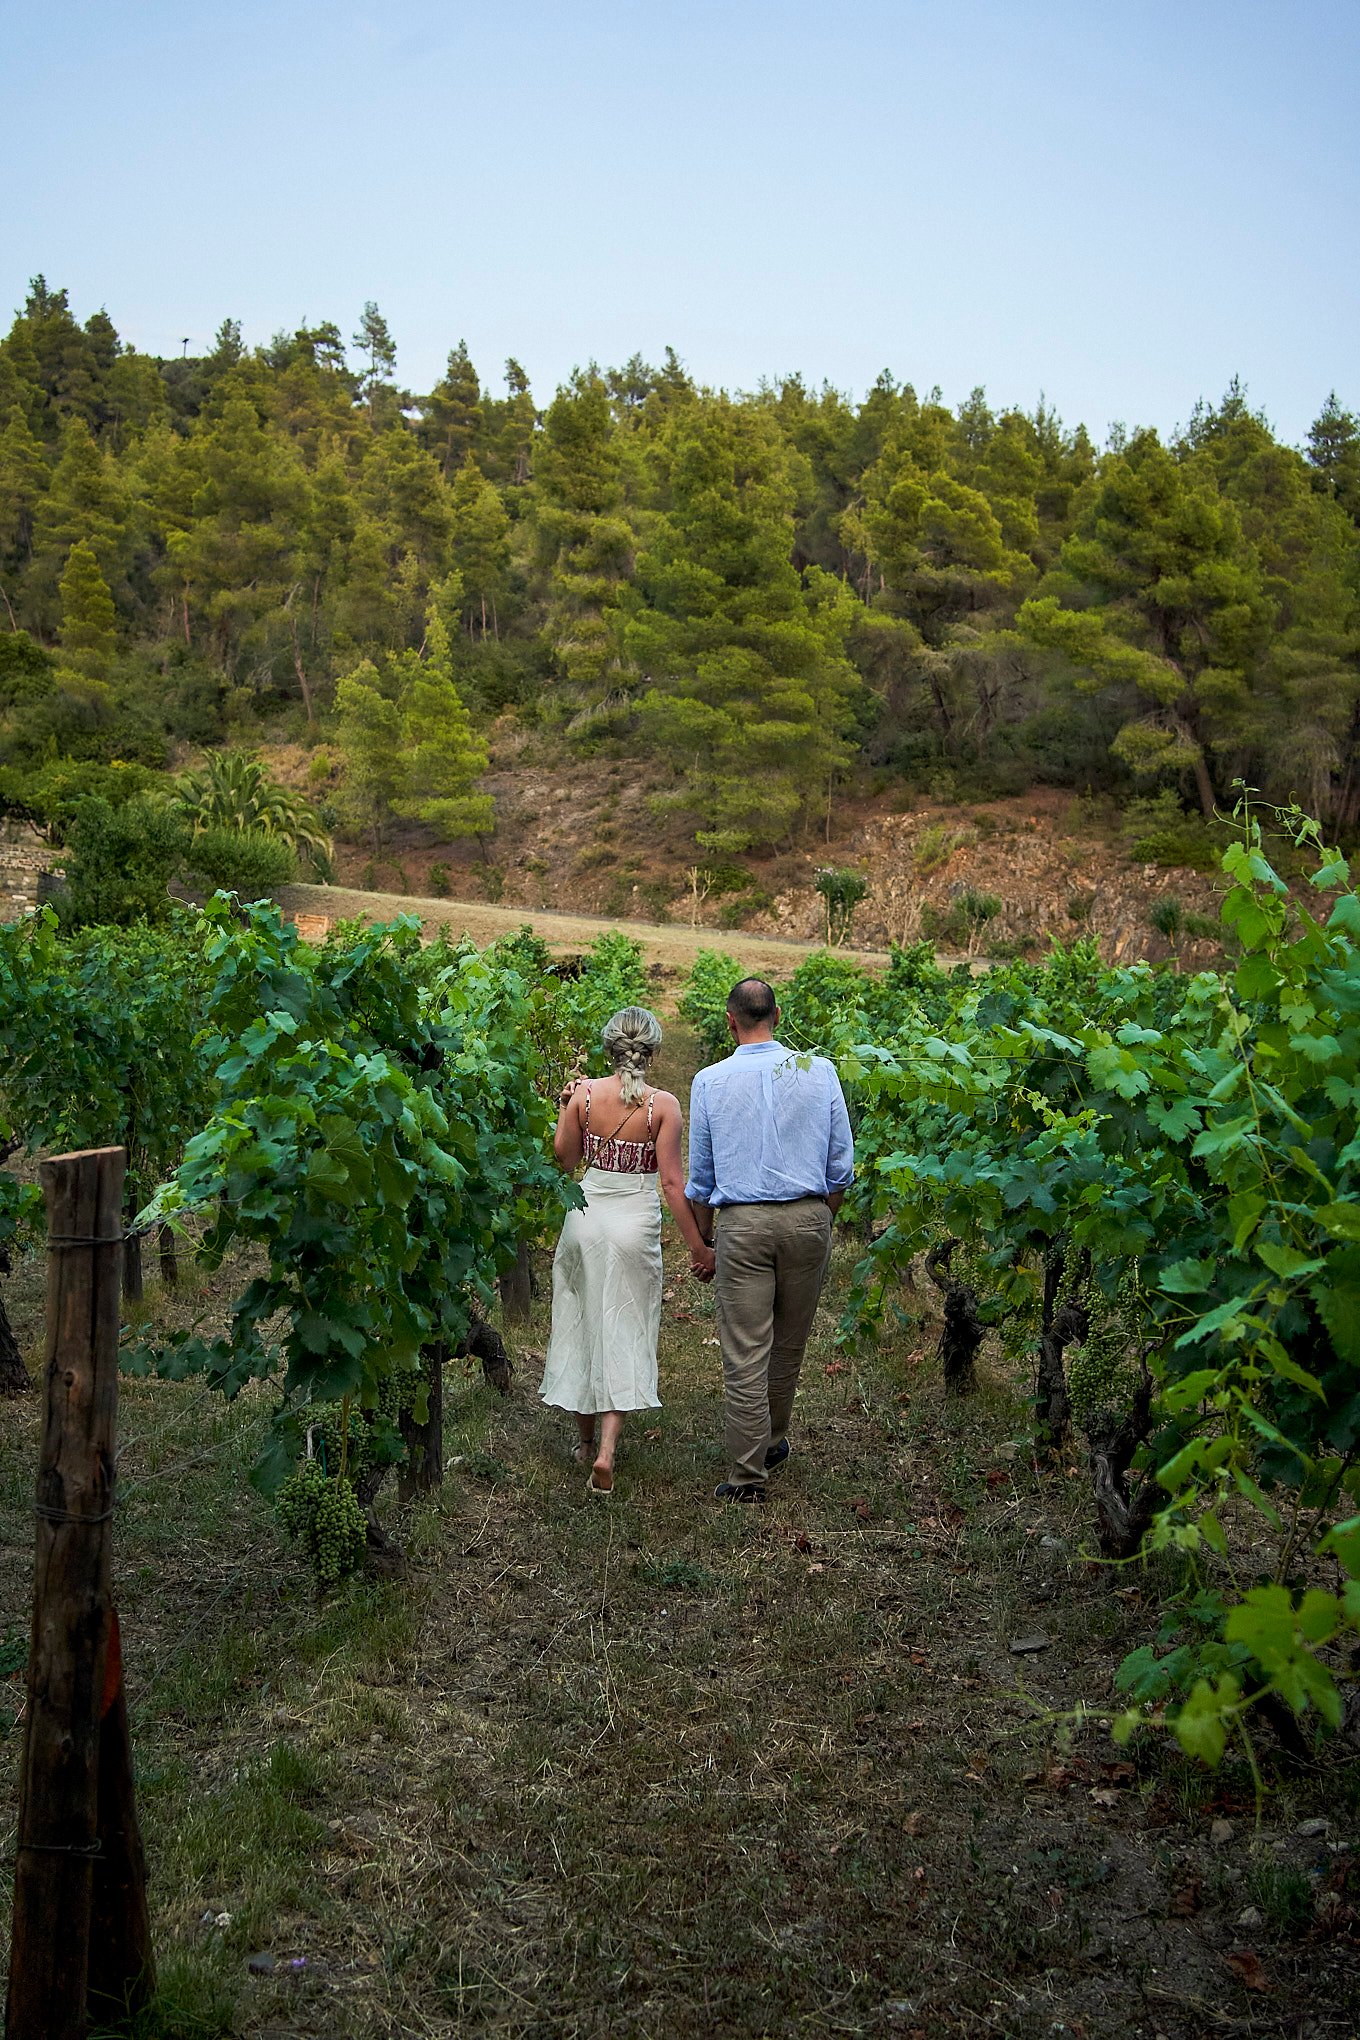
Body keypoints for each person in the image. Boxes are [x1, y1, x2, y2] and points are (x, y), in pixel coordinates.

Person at [685, 977, 854, 1503]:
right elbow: (840, 1166)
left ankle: (746, 1474)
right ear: (777, 1015)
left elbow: (702, 1176)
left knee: (745, 1349)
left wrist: (706, 1240)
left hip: (744, 1223)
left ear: (730, 1021)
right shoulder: (821, 1072)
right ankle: (774, 1440)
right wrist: (820, 1220)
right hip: (808, 1219)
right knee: (789, 1342)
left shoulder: (709, 1081)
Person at [540, 1006, 716, 1493]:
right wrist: (699, 1248)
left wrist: (565, 1105)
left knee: (581, 1321)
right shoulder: (664, 1106)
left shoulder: (584, 1095)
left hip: (585, 1217)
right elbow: (673, 1184)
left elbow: (565, 1159)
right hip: (633, 1222)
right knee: (625, 1324)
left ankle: (582, 1442)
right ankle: (607, 1451)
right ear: (654, 1053)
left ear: (608, 1049)